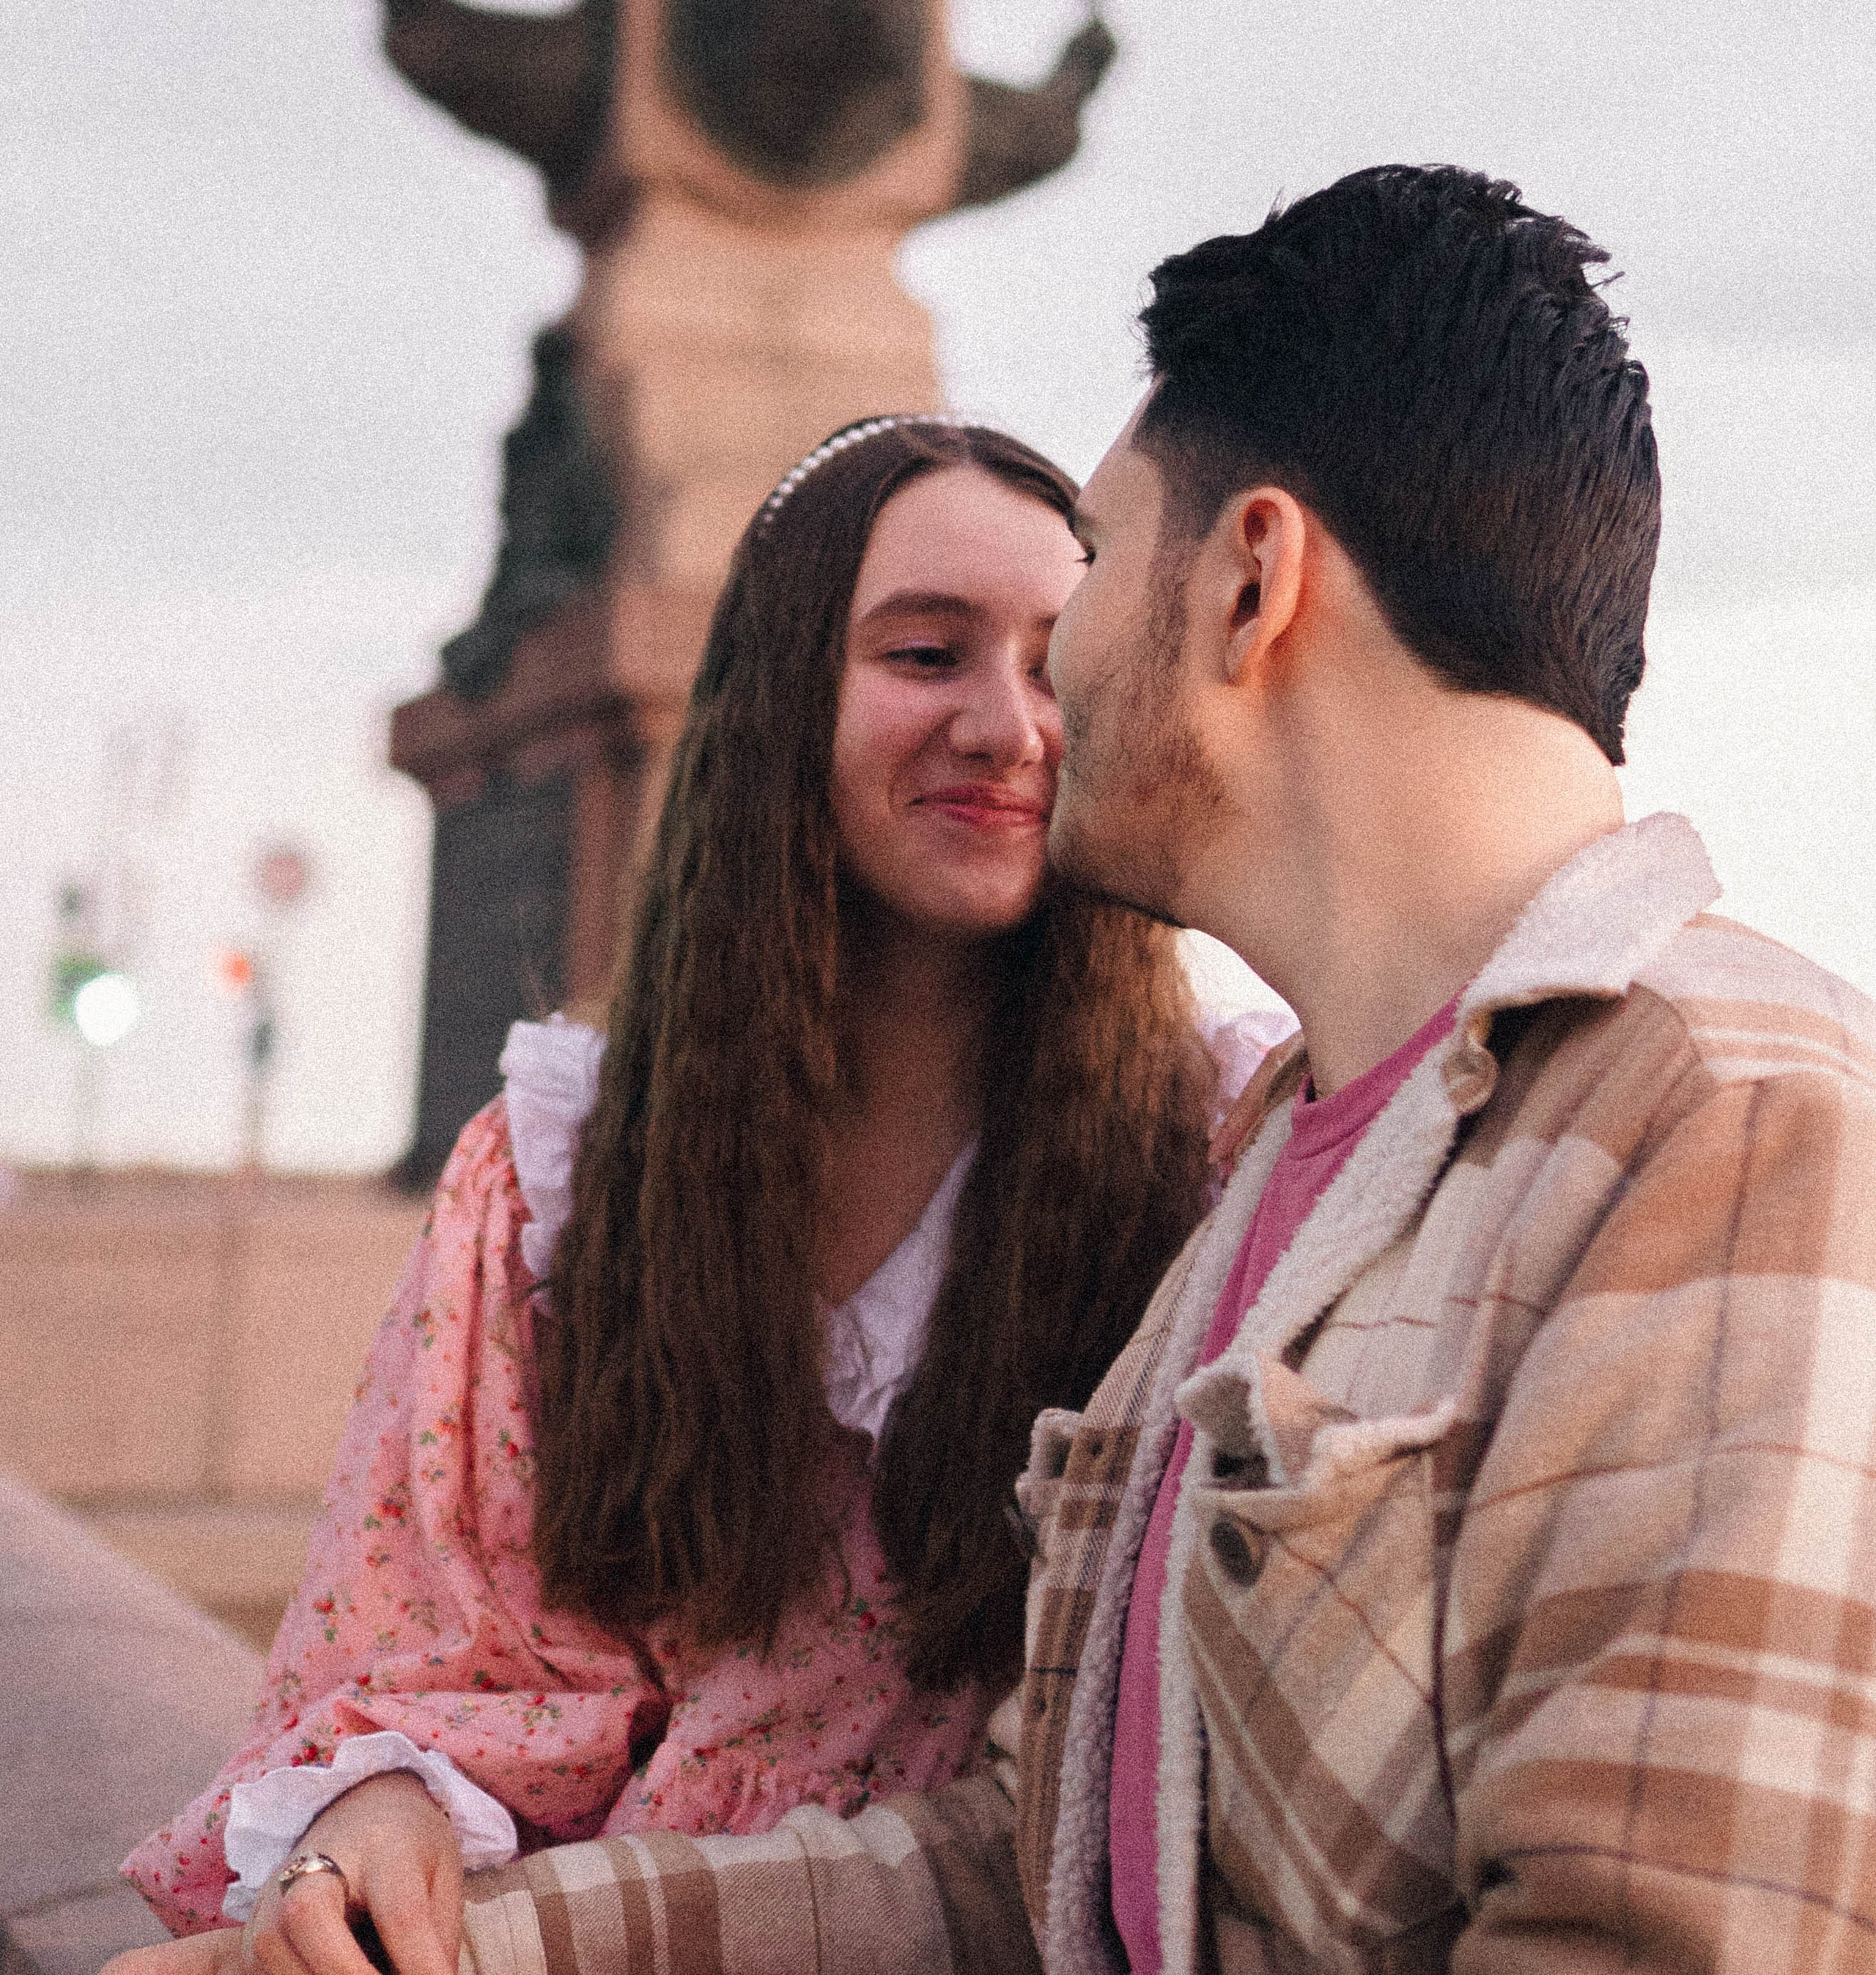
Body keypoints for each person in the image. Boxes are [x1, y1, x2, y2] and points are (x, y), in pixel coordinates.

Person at [420, 164, 1876, 1973]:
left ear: (1251, 578)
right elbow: (1023, 1872)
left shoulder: (1726, 1120)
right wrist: (471, 1951)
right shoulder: (1285, 1151)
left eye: (1094, 565)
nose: (1045, 692)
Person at [119, 417, 1273, 1972]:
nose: (1007, 724)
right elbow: (432, 1636)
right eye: (926, 655)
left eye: (1058, 663)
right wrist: (379, 1801)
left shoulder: (1219, 1146)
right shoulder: (562, 1173)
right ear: (780, 703)